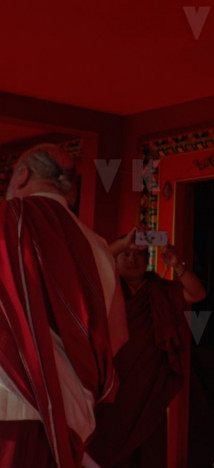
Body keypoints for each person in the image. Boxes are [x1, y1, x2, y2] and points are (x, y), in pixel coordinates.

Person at [0, 144, 127, 467]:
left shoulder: (5, 222)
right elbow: (117, 335)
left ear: (23, 175)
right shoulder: (98, 247)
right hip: (69, 414)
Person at [86, 229, 206, 466]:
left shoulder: (158, 289)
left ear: (148, 259)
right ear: (116, 259)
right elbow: (87, 261)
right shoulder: (105, 286)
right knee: (105, 443)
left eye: (139, 255)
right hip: (113, 382)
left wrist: (176, 265)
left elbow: (197, 293)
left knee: (147, 447)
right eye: (126, 254)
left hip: (149, 384)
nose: (132, 260)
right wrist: (121, 242)